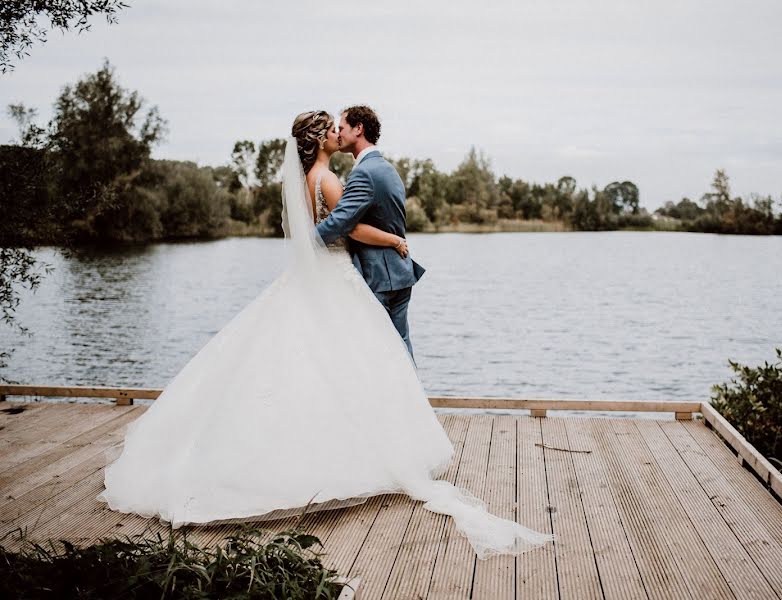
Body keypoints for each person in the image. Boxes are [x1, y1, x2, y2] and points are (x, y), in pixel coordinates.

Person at [98, 109, 552, 559]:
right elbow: (349, 229)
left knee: (309, 362)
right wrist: (394, 240)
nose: (337, 133)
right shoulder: (330, 179)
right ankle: (368, 447)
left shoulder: (303, 181)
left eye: (340, 126)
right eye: (332, 129)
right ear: (320, 141)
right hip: (336, 275)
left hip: (313, 276)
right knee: (353, 360)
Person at [315, 105, 424, 358]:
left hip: (380, 276)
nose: (338, 133)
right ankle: (410, 397)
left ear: (358, 129)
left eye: (341, 127)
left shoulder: (365, 173)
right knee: (400, 346)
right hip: (398, 271)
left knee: (379, 353)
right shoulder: (387, 168)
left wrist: (306, 242)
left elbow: (339, 223)